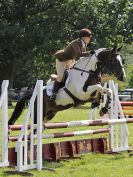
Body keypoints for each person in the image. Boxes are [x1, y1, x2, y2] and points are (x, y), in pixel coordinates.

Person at [50, 28, 93, 102]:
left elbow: (82, 57)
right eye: (88, 37)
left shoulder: (83, 44)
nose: (90, 39)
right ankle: (54, 94)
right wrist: (91, 52)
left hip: (70, 60)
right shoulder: (76, 43)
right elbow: (79, 54)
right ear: (83, 37)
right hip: (62, 60)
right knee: (60, 77)